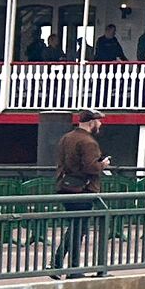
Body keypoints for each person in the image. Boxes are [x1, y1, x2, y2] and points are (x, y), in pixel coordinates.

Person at [51, 109, 109, 274]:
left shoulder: (66, 138)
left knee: (75, 226)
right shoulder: (88, 142)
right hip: (82, 189)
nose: (100, 124)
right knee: (79, 229)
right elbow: (91, 167)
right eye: (98, 121)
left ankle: (58, 264)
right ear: (91, 122)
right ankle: (71, 268)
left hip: (65, 186)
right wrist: (103, 164)